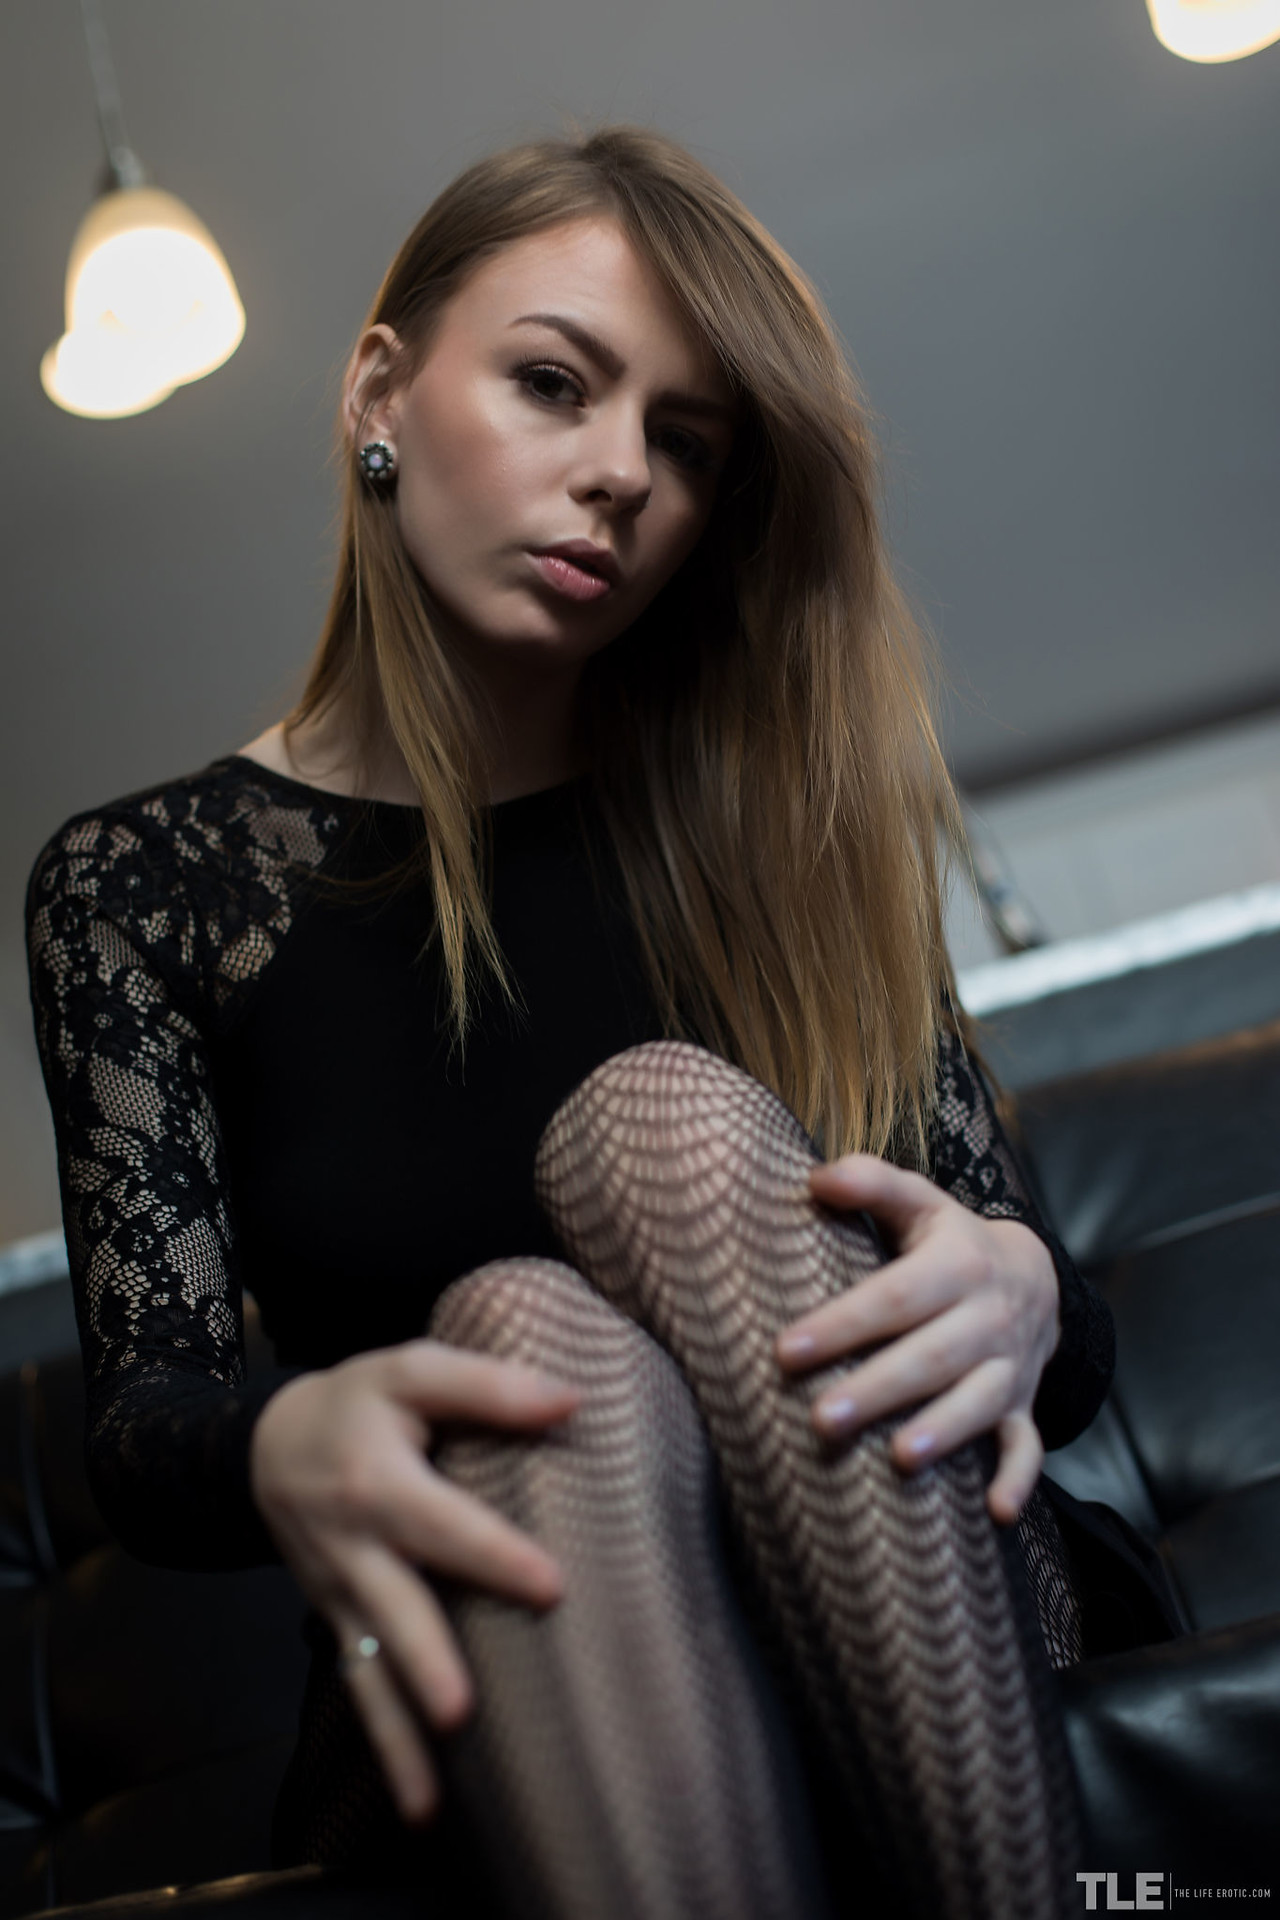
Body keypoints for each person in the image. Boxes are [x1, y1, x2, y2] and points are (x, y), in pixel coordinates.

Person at [25, 127, 1172, 1920]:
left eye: (686, 442)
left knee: (666, 1121)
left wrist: (1026, 1285)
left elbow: (1042, 1327)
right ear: (379, 394)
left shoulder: (787, 825)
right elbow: (148, 1420)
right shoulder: (145, 888)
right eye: (555, 384)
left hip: (924, 1599)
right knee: (524, 1337)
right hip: (504, 1663)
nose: (622, 473)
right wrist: (278, 1435)